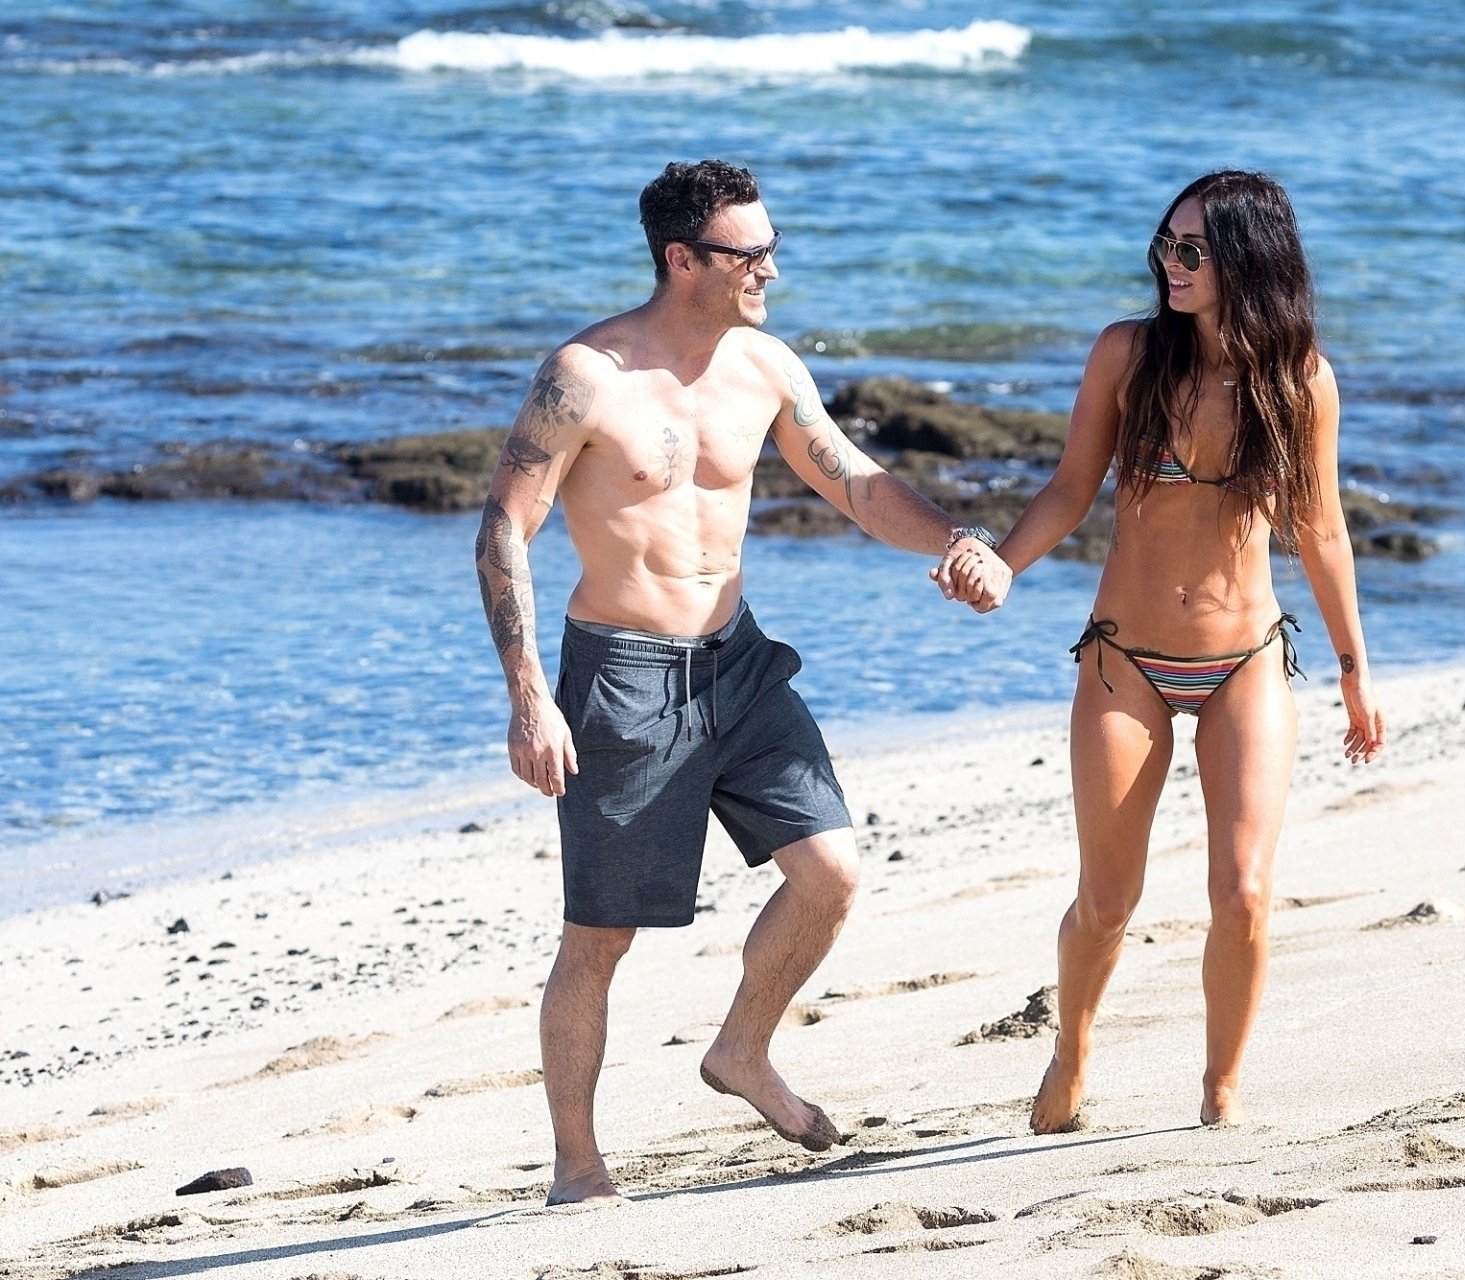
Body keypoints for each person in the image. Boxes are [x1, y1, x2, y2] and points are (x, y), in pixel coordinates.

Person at [475, 159, 1012, 1204]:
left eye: (772, 247)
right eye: (749, 253)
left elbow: (856, 484)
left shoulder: (764, 365)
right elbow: (504, 528)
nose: (770, 268)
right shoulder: (586, 376)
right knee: (601, 937)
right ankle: (578, 1166)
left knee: (831, 871)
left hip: (741, 663)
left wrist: (959, 539)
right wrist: (529, 695)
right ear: (683, 259)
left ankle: (743, 1050)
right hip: (624, 677)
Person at [940, 169, 1385, 1132]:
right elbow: (1070, 486)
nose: (1171, 265)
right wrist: (1005, 562)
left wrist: (1355, 670)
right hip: (1126, 661)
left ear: (1248, 260)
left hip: (1246, 660)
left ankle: (1221, 1091)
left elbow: (1322, 529)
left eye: (1193, 251)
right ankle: (1072, 1050)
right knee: (1106, 901)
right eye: (1166, 246)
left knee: (1245, 891)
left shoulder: (1301, 381)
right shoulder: (1127, 355)